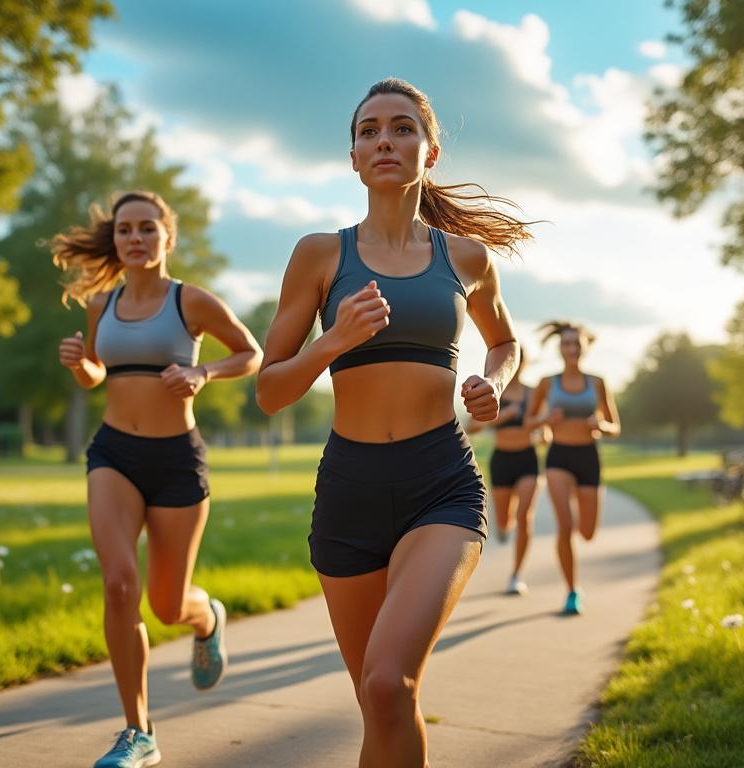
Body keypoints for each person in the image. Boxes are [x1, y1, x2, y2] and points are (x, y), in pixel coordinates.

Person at [256, 77, 531, 767]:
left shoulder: (465, 257)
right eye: (369, 130)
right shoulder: (320, 255)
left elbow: (505, 341)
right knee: (380, 703)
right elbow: (269, 391)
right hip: (348, 488)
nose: (385, 140)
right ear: (353, 157)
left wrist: (492, 384)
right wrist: (333, 341)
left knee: (388, 682)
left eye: (402, 128)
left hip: (440, 484)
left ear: (429, 152)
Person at [54, 190, 263, 768]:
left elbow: (250, 353)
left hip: (176, 461)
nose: (136, 238)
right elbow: (97, 375)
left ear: (167, 237)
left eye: (147, 228)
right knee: (120, 585)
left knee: (168, 606)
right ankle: (138, 731)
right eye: (125, 230)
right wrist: (80, 363)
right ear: (115, 239)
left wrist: (203, 372)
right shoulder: (102, 304)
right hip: (113, 454)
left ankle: (206, 616)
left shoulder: (190, 300)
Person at [527, 321, 621, 615]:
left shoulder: (598, 382)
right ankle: (571, 590)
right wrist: (546, 420)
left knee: (588, 532)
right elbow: (528, 421)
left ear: (585, 347)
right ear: (560, 348)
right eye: (566, 344)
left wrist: (601, 425)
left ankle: (579, 510)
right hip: (559, 457)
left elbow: (615, 427)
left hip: (588, 457)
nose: (572, 349)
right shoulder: (547, 383)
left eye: (576, 344)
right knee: (565, 526)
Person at [466, 355, 540, 595]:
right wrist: (501, 418)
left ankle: (517, 574)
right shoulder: (495, 391)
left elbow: (543, 423)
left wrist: (544, 430)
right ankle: (504, 526)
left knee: (525, 517)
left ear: (524, 363)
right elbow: (470, 426)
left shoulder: (533, 393)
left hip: (527, 459)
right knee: (503, 520)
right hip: (502, 461)